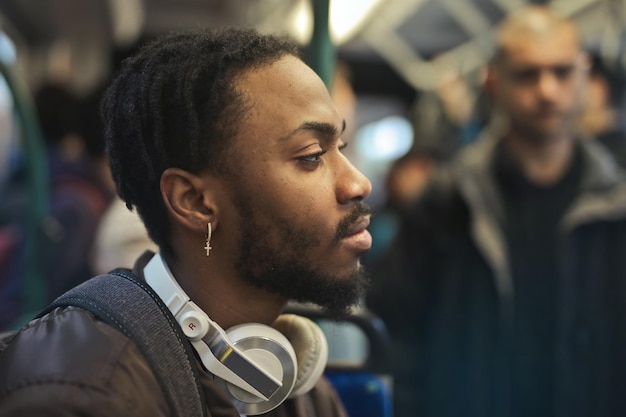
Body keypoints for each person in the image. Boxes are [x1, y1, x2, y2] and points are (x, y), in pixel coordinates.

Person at [0, 28, 373, 416]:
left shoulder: (292, 391)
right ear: (194, 202)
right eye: (312, 155)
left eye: (340, 148)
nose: (358, 183)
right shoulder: (83, 394)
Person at [367, 5, 626, 417]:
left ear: (583, 75)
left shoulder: (617, 201)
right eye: (527, 73)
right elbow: (397, 326)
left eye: (561, 72)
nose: (547, 90)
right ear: (494, 80)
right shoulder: (447, 201)